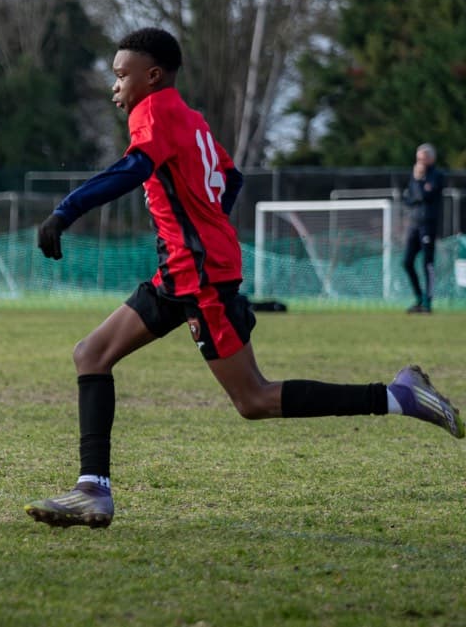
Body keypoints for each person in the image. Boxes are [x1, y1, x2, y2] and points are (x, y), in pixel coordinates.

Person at [25, 28, 464, 530]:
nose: (116, 88)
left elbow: (131, 169)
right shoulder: (192, 121)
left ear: (153, 76)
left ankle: (397, 396)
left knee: (253, 399)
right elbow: (230, 178)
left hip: (199, 274)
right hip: (183, 269)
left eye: (122, 76)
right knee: (92, 354)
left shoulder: (156, 111)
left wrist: (65, 211)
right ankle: (92, 491)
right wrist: (205, 224)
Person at [401, 143, 445, 314]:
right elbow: (408, 199)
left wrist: (419, 182)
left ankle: (428, 301)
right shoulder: (414, 176)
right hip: (414, 225)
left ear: (431, 158)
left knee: (428, 263)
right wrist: (417, 186)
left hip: (428, 224)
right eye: (418, 158)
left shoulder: (436, 175)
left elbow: (426, 195)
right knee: (407, 262)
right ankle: (419, 298)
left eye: (423, 158)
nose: (420, 162)